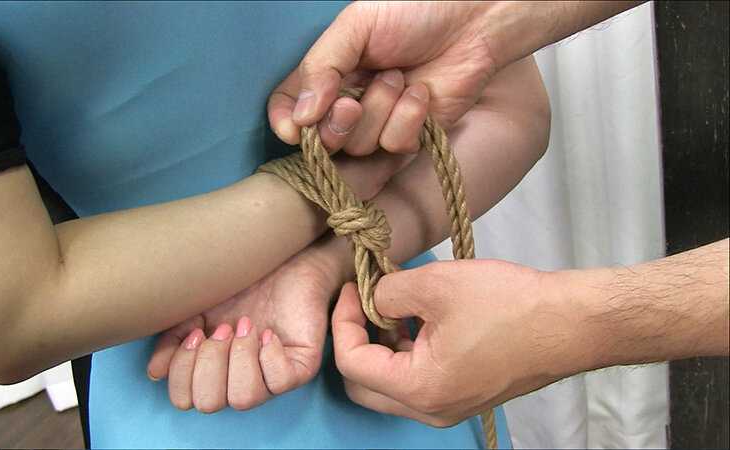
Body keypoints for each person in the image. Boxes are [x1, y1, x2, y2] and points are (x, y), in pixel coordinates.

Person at [0, 2, 550, 447]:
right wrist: (347, 186)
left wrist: (321, 255)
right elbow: (4, 321)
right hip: (387, 338)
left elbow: (7, 314)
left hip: (224, 368)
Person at [255, 0, 728, 428]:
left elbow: (515, 113)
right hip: (373, 329)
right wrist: (481, 24)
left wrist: (560, 324)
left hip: (394, 343)